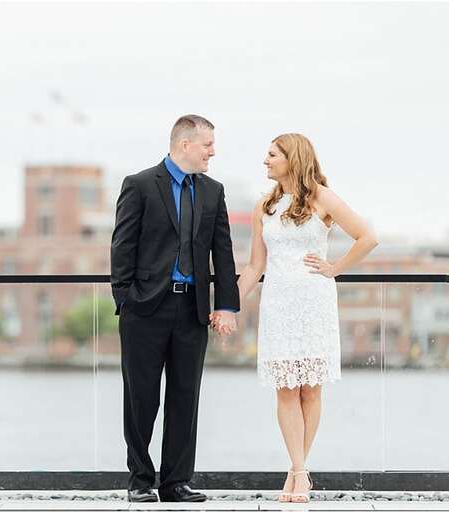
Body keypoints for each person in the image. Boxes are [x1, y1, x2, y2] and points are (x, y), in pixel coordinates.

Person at [211, 133, 377, 503]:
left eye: (272, 155)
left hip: (314, 301)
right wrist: (229, 306)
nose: (265, 161)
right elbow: (255, 266)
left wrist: (334, 268)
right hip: (279, 304)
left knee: (311, 389)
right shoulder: (263, 206)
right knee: (285, 389)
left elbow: (367, 237)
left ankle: (297, 471)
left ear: (293, 158)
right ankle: (299, 468)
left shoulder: (322, 196)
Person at [110, 114, 240, 503]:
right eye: (207, 145)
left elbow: (224, 252)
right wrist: (126, 300)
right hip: (145, 310)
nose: (212, 152)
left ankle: (176, 482)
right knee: (141, 397)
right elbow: (121, 247)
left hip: (192, 310)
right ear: (185, 144)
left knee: (186, 396)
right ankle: (140, 480)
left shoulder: (213, 191)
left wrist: (227, 306)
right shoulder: (139, 185)